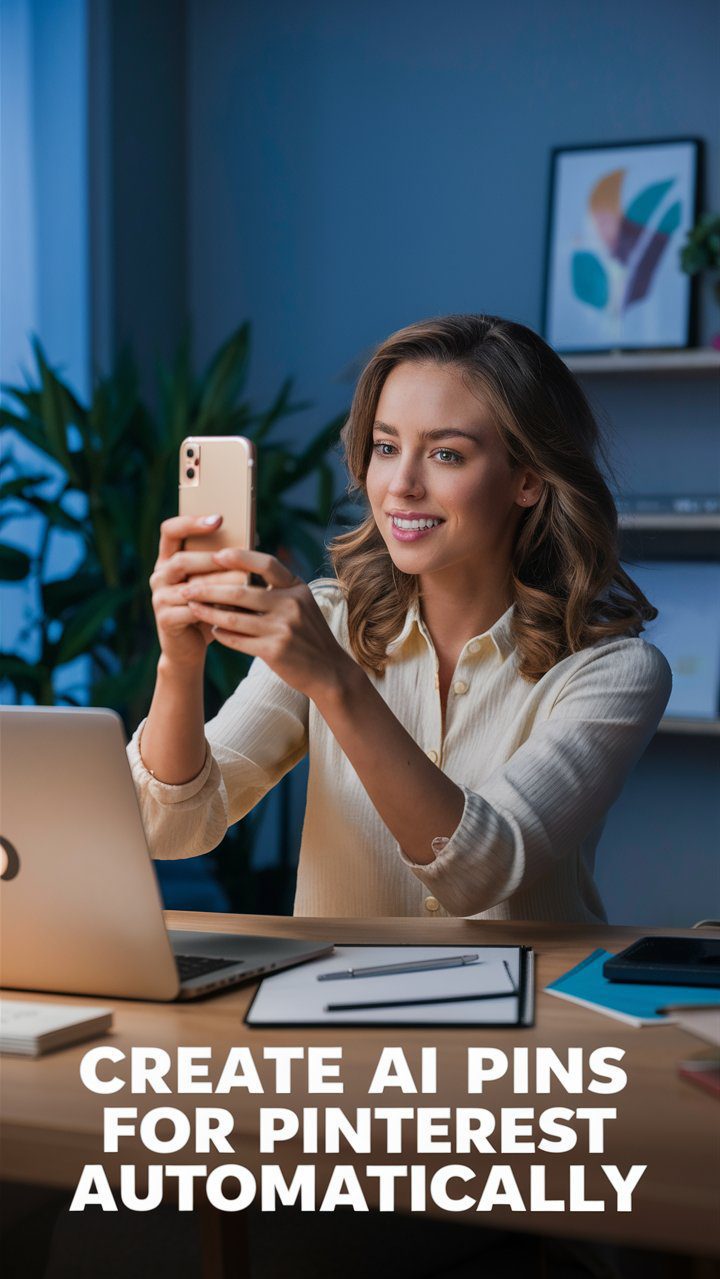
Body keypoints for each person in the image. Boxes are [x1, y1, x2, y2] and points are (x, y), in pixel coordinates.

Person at [128, 314, 671, 923]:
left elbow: (481, 872)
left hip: (533, 986)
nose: (401, 485)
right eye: (386, 448)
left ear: (528, 480)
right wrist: (179, 661)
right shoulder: (329, 621)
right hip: (332, 983)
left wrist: (336, 681)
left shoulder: (615, 672)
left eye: (446, 454)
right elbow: (171, 829)